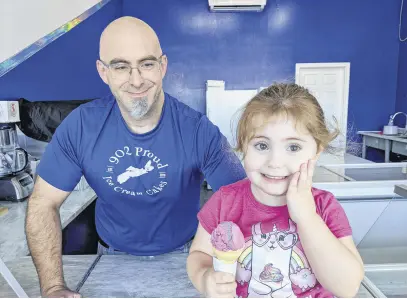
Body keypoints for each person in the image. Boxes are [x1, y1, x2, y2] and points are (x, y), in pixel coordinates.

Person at [25, 16, 246, 298]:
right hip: (110, 255)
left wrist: (222, 268)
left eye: (147, 64)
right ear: (103, 72)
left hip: (187, 257)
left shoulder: (198, 130)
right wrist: (53, 287)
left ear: (163, 66)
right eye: (121, 66)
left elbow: (242, 200)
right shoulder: (80, 127)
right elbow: (43, 202)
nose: (137, 79)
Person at [187, 83, 364, 298]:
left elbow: (347, 287)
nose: (275, 162)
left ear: (316, 152)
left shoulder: (324, 207)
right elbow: (199, 254)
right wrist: (205, 278)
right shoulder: (224, 201)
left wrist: (307, 218)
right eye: (262, 145)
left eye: (293, 147)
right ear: (243, 146)